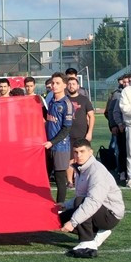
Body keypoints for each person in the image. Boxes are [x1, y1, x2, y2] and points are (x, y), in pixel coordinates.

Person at [57, 138, 125, 259]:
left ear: (91, 152)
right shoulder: (81, 168)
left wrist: (73, 223)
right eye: (76, 152)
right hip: (99, 209)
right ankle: (98, 233)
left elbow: (92, 201)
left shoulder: (96, 171)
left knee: (80, 204)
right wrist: (65, 205)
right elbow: (83, 196)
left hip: (110, 214)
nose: (79, 155)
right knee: (60, 219)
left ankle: (87, 243)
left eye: (82, 151)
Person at [43, 73, 75, 208]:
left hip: (60, 147)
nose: (54, 86)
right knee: (44, 176)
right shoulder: (51, 101)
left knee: (60, 178)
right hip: (48, 145)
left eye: (57, 83)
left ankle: (60, 207)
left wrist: (52, 142)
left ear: (64, 85)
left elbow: (66, 129)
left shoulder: (66, 104)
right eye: (53, 83)